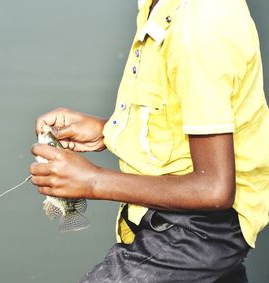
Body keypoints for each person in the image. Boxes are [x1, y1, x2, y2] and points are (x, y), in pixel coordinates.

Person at [29, 0, 269, 282]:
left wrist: (93, 180)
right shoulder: (159, 5)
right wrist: (110, 129)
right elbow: (175, 108)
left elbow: (215, 189)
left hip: (202, 231)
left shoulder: (202, 26)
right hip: (173, 213)